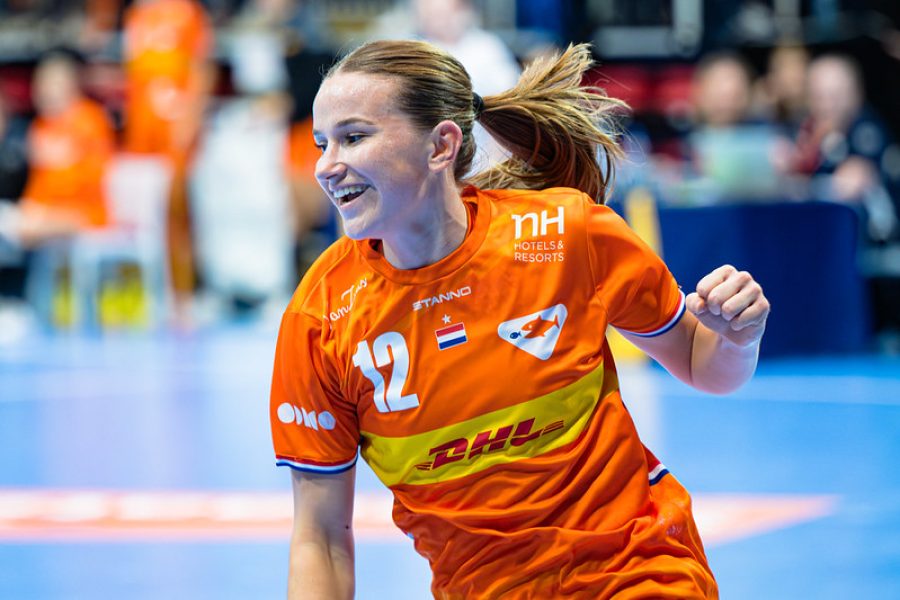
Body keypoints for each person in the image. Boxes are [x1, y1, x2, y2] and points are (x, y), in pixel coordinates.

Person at [269, 40, 770, 599]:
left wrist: (737, 337)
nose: (326, 166)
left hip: (635, 570)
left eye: (354, 137)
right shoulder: (321, 316)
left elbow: (704, 365)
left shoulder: (567, 233)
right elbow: (321, 538)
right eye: (322, 143)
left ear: (440, 145)